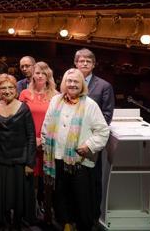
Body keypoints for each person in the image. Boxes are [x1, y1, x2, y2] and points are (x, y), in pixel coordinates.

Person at [41, 69, 110, 231]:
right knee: (62, 194)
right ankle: (66, 223)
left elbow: (103, 131)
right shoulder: (56, 100)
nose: (72, 84)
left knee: (81, 197)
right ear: (64, 83)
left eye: (76, 82)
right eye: (69, 81)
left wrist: (88, 146)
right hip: (57, 157)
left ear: (82, 85)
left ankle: (83, 226)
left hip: (80, 160)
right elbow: (47, 124)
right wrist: (46, 144)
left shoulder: (90, 104)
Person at [0, 74, 36, 230]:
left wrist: (30, 162)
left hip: (19, 160)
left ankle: (16, 224)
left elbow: (31, 136)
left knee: (17, 198)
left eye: (10, 87)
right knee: (1, 198)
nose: (7, 91)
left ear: (16, 90)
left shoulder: (24, 107)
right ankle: (3, 223)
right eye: (3, 88)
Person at [74, 48, 115, 225]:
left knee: (93, 180)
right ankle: (75, 215)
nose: (84, 64)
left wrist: (90, 139)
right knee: (74, 180)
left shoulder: (104, 86)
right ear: (75, 63)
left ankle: (92, 217)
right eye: (81, 61)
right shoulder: (70, 81)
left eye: (88, 61)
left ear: (93, 64)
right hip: (72, 138)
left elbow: (107, 116)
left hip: (91, 141)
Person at [19, 61, 59, 224]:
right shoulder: (24, 94)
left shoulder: (56, 95)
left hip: (48, 141)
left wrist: (44, 139)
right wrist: (32, 139)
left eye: (43, 72)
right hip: (28, 140)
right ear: (33, 75)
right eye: (37, 72)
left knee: (47, 178)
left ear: (48, 75)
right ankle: (32, 209)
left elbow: (58, 121)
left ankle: (48, 210)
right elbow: (19, 118)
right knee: (31, 177)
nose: (40, 75)